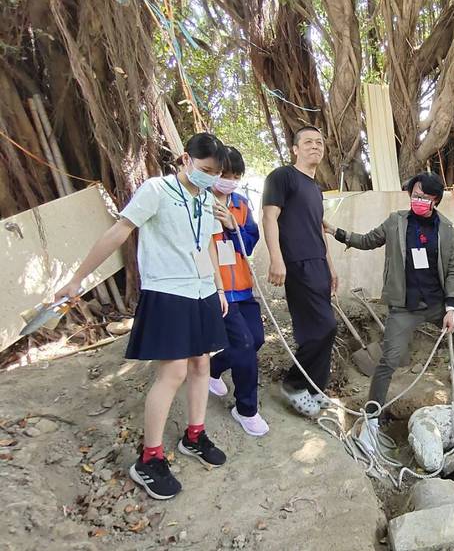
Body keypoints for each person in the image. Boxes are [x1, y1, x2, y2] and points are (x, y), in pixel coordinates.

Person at [54, 133, 230, 500]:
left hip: (203, 292)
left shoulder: (207, 201)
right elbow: (120, 231)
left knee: (202, 365)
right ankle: (149, 459)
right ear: (185, 159)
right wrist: (77, 278)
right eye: (205, 169)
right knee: (174, 372)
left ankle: (194, 436)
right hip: (168, 291)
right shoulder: (156, 190)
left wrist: (220, 288)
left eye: (215, 174)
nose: (209, 178)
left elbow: (210, 246)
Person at [324, 173, 454, 447]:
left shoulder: (447, 229)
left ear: (435, 199)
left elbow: (451, 269)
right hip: (405, 307)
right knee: (388, 360)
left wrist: (451, 307)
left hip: (438, 304)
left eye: (424, 196)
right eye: (414, 194)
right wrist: (335, 231)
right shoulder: (396, 222)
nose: (418, 200)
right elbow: (366, 240)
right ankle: (371, 418)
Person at [262, 126, 338, 417]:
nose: (315, 146)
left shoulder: (315, 189)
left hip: (317, 263)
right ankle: (294, 384)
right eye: (307, 142)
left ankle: (314, 388)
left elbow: (319, 230)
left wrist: (330, 265)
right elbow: (270, 217)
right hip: (297, 263)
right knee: (320, 328)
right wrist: (276, 258)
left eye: (319, 142)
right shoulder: (282, 177)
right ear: (295, 149)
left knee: (324, 330)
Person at [207, 147, 268, 436]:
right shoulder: (200, 202)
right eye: (225, 174)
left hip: (243, 286)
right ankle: (246, 409)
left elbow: (250, 243)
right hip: (218, 290)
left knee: (256, 339)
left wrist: (233, 227)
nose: (230, 180)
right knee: (243, 343)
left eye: (235, 176)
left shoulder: (241, 205)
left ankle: (213, 368)